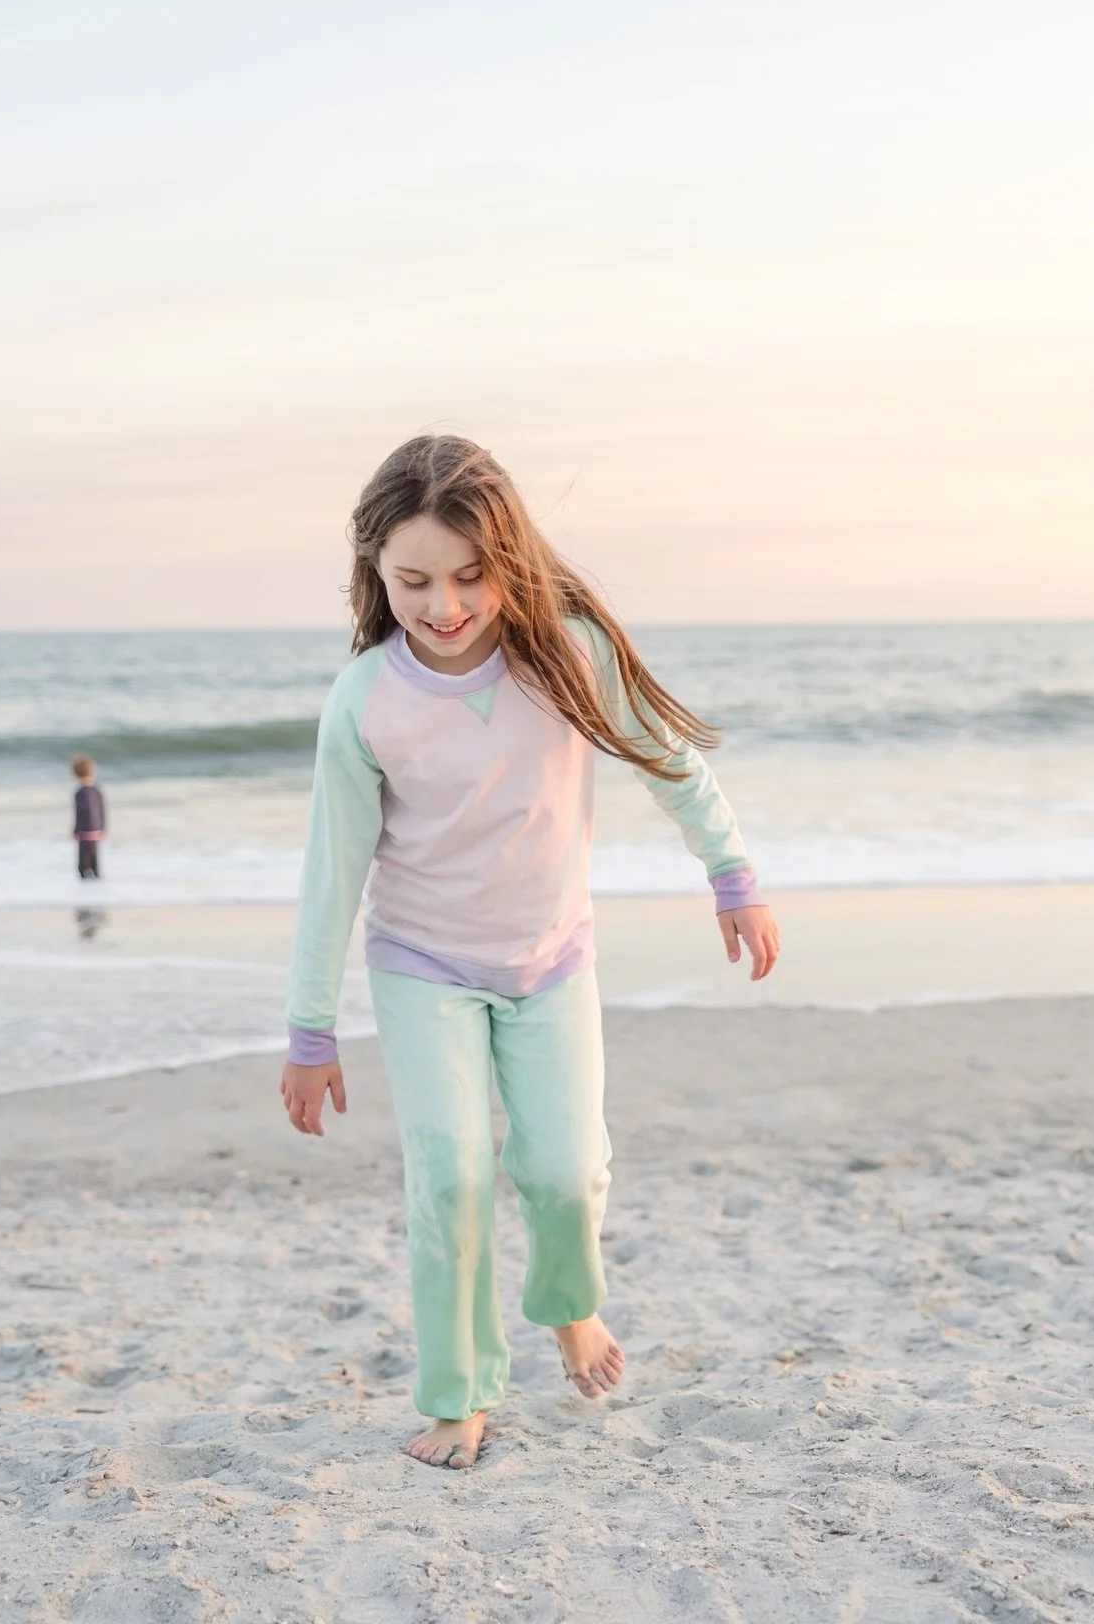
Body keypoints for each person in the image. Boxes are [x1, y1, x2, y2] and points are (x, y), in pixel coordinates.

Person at [280, 435, 780, 1472]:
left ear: (509, 559)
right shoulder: (364, 701)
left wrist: (731, 876)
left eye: (471, 576)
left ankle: (571, 1308)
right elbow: (332, 872)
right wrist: (310, 1029)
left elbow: (671, 763)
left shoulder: (570, 655)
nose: (446, 604)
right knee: (452, 1177)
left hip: (551, 961)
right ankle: (459, 1396)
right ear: (374, 569)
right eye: (414, 580)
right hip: (423, 966)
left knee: (564, 1172)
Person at [70, 755, 106, 879]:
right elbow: (102, 811)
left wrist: (75, 830)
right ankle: (96, 890)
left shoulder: (79, 793)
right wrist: (103, 828)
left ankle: (85, 892)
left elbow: (79, 813)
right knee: (95, 865)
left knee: (82, 866)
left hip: (84, 833)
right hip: (96, 831)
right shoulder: (98, 791)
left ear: (75, 773)